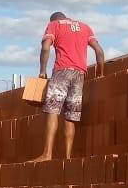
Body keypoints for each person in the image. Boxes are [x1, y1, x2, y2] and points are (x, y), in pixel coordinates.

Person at [34, 12, 105, 161]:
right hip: (80, 74)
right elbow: (99, 51)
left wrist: (42, 71)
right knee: (70, 116)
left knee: (52, 110)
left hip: (62, 71)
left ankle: (47, 154)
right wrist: (100, 73)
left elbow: (46, 47)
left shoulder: (54, 25)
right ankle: (67, 157)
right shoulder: (85, 27)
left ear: (54, 20)